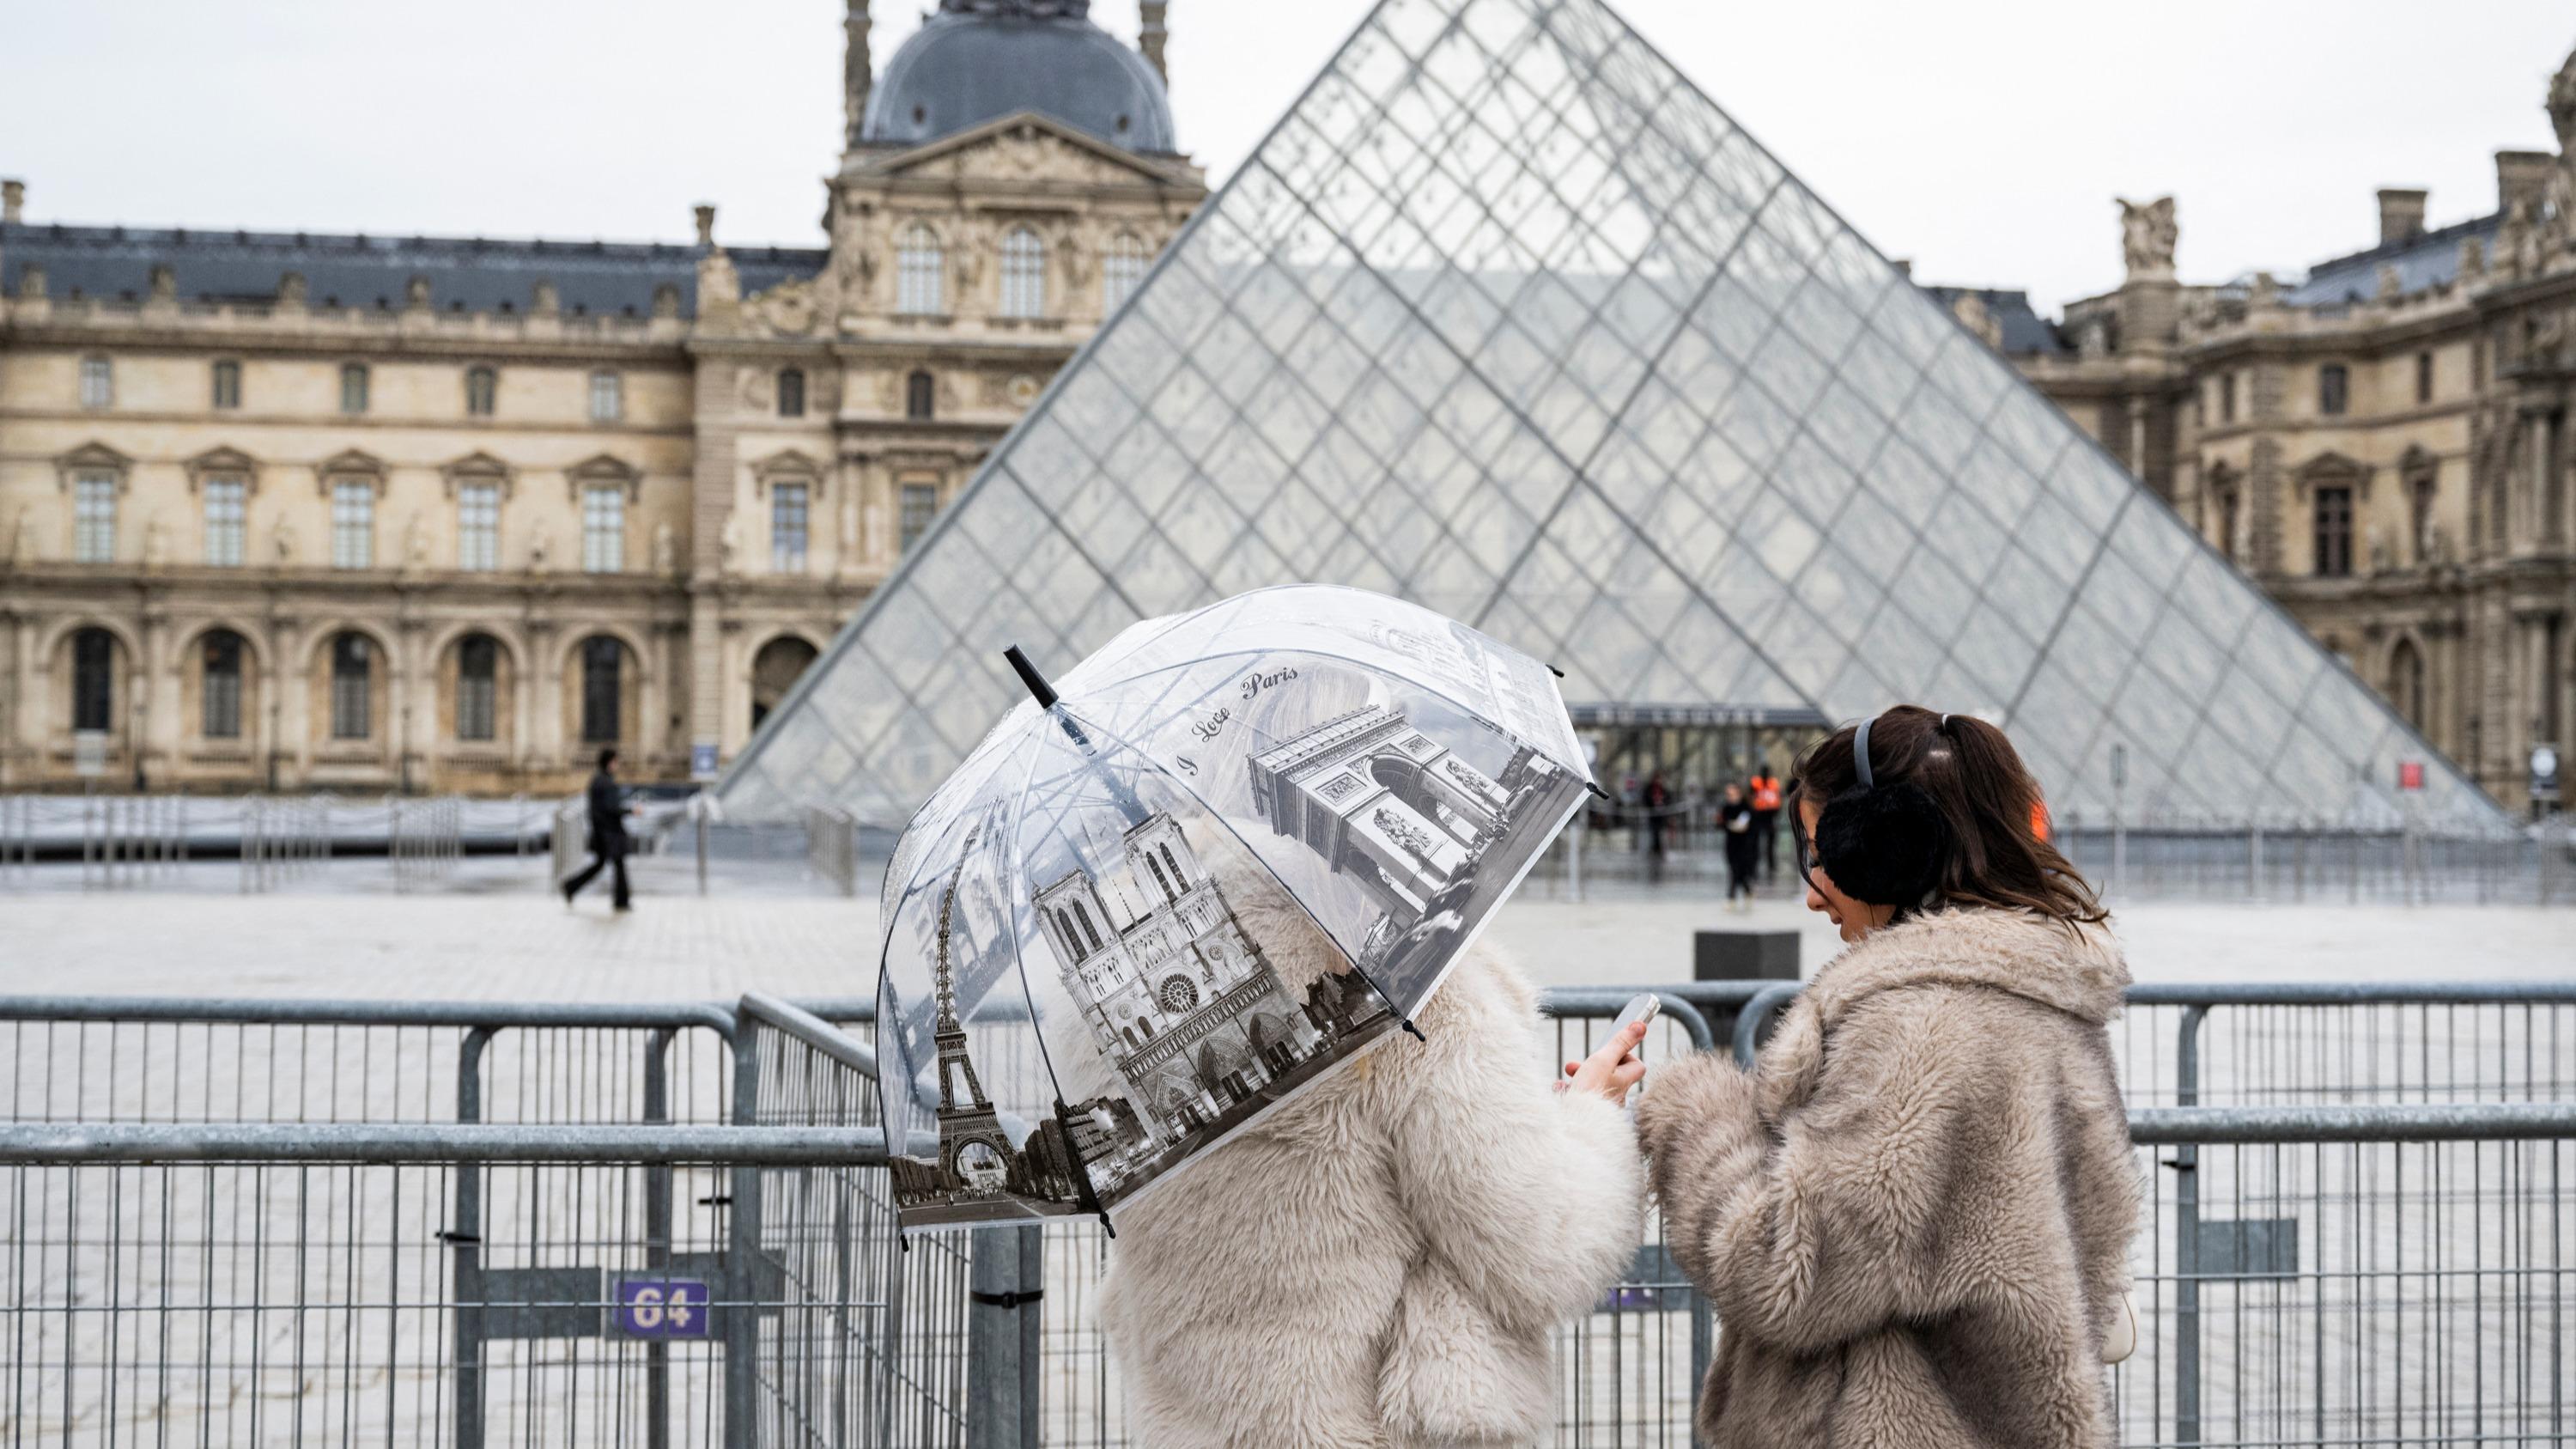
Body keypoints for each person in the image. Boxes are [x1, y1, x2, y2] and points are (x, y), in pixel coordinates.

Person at [1635, 706, 2136, 1449]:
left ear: (1884, 844)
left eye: (1817, 852)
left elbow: (1786, 1272)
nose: (1812, 890)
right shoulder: (2041, 996)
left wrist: (1686, 1107)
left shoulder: (1923, 1024)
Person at [1092, 868, 1649, 1449]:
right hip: (1360, 1424)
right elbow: (1542, 1246)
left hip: (1194, 1420)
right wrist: (1593, 1113)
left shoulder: (1122, 971)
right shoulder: (1401, 973)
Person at [562, 746, 632, 911]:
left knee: (601, 865)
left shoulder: (599, 779)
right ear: (610, 762)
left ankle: (571, 887)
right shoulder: (605, 782)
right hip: (609, 833)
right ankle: (621, 901)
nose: (618, 765)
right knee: (617, 864)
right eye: (616, 762)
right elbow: (612, 808)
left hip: (602, 831)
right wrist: (631, 810)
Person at [1718, 781, 1757, 911]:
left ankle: (1731, 898)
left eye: (1732, 793)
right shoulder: (1726, 808)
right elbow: (1721, 824)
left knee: (1736, 871)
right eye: (1728, 794)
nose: (1730, 796)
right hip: (1731, 844)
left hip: (1744, 845)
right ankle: (1747, 891)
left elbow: (1744, 827)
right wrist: (1732, 825)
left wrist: (1732, 825)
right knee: (1736, 871)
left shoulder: (1746, 807)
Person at [1747, 766, 1782, 879]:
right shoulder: (1755, 783)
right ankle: (1754, 866)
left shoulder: (1773, 783)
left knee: (1770, 844)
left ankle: (1771, 866)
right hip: (1758, 816)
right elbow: (1750, 796)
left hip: (1770, 816)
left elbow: (1778, 797)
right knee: (1755, 844)